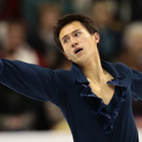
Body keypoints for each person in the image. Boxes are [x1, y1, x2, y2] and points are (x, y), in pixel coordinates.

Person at [0, 13, 141, 142]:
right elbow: (15, 72)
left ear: (96, 37)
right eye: (65, 40)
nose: (73, 42)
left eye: (77, 34)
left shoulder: (122, 73)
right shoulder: (64, 83)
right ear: (67, 55)